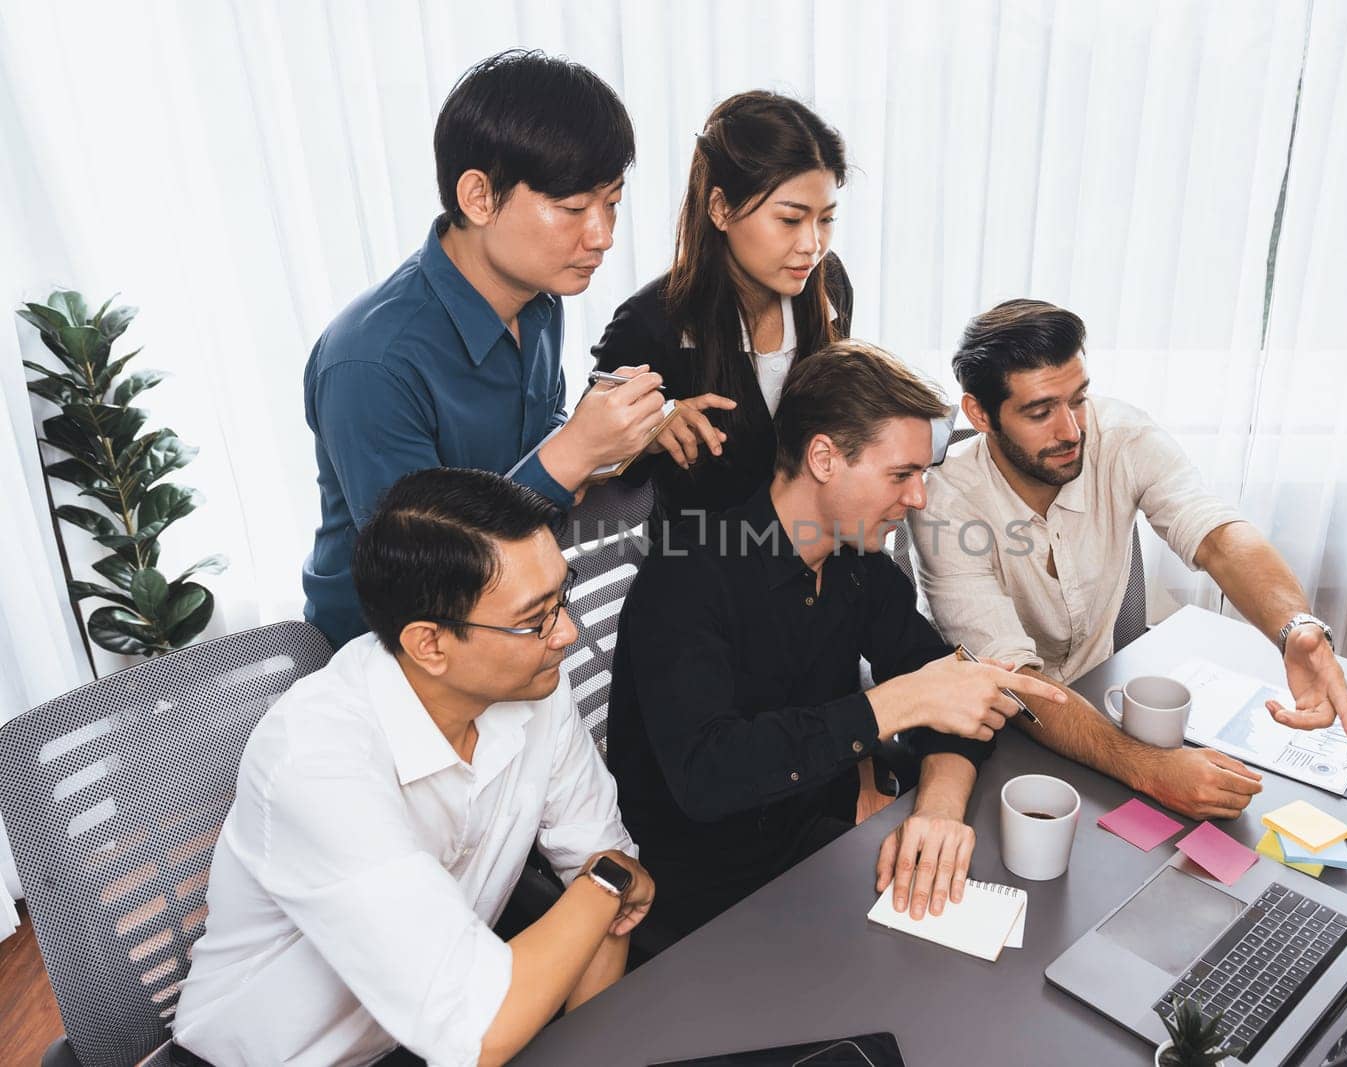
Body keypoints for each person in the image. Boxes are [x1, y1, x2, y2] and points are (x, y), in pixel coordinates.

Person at [174, 469, 653, 1067]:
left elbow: (605, 879)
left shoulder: (534, 687)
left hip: (428, 1035)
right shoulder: (317, 760)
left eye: (563, 595)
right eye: (535, 619)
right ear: (430, 643)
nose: (567, 633)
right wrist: (607, 883)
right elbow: (607, 886)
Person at [605, 341, 1071, 945]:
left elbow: (947, 693)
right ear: (824, 458)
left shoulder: (856, 562)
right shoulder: (689, 577)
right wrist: (901, 703)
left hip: (824, 845)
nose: (918, 498)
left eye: (923, 476)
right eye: (901, 475)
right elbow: (708, 776)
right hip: (710, 905)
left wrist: (938, 811)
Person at [911, 299, 1347, 821]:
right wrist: (1151, 768)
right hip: (996, 729)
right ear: (979, 414)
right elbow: (1017, 679)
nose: (1071, 431)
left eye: (1077, 400)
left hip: (1099, 700)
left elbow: (1215, 533)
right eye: (1040, 412)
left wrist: (1294, 626)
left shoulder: (1122, 436)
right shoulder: (943, 500)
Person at [303, 49, 667, 648]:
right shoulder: (371, 364)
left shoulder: (539, 298)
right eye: (574, 208)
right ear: (478, 197)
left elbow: (530, 450)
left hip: (518, 615)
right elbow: (426, 576)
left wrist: (617, 440)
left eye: (613, 204)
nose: (602, 235)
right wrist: (575, 451)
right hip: (398, 651)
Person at [589, 90, 853, 534]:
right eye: (790, 219)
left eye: (825, 219)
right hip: (705, 571)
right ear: (721, 209)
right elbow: (590, 468)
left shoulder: (830, 284)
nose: (812, 245)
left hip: (817, 550)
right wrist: (650, 432)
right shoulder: (648, 323)